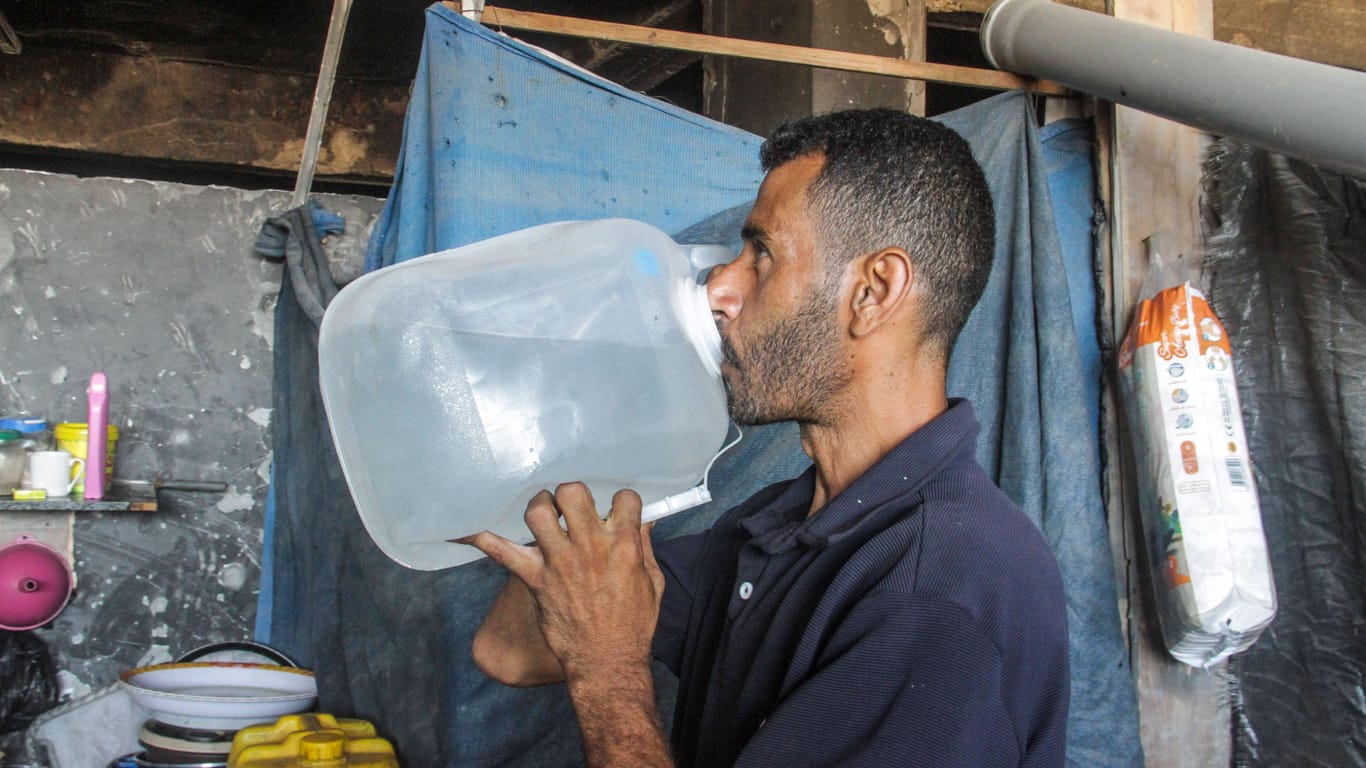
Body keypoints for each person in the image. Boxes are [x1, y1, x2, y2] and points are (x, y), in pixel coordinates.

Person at [462, 108, 1070, 767]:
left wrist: (609, 670)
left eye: (763, 255)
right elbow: (511, 651)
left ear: (872, 292)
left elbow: (593, 652)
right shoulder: (777, 526)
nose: (720, 288)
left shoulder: (947, 594)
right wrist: (603, 428)